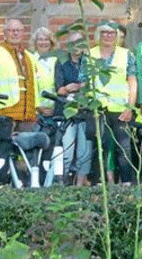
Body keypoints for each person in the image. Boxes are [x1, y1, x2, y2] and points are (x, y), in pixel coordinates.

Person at [89, 21, 138, 185]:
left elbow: (132, 81)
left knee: (124, 148)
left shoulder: (127, 54)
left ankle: (126, 184)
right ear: (99, 34)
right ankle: (99, 183)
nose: (108, 36)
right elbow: (84, 80)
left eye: (112, 33)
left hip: (120, 109)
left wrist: (130, 107)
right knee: (99, 147)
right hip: (98, 109)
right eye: (105, 32)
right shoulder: (90, 54)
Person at [0, 19, 39, 132]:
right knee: (3, 143)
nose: (15, 33)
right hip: (4, 113)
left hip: (27, 114)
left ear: (23, 33)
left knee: (25, 143)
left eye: (18, 30)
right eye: (11, 30)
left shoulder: (30, 57)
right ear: (4, 33)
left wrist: (36, 110)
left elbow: (35, 85)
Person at [54, 30, 92, 186]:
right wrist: (75, 88)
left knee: (85, 152)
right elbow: (59, 89)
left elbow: (92, 85)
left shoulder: (89, 62)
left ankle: (80, 184)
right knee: (67, 151)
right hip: (66, 112)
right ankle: (62, 183)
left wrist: (77, 86)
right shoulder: (61, 62)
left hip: (85, 111)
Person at [30, 27, 58, 117]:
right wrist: (38, 107)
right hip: (37, 111)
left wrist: (57, 107)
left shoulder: (56, 60)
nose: (43, 42)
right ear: (35, 42)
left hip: (56, 110)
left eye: (46, 39)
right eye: (40, 40)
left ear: (51, 42)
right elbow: (30, 87)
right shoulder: (30, 60)